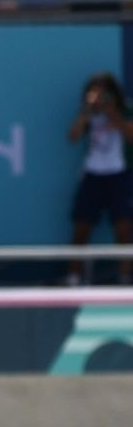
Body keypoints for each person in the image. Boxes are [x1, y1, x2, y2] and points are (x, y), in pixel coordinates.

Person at [66, 72, 133, 284]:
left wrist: (112, 112)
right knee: (81, 227)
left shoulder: (124, 110)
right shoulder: (87, 113)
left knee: (123, 228)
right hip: (92, 175)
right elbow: (73, 136)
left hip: (118, 175)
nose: (100, 97)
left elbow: (131, 136)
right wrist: (87, 111)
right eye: (95, 92)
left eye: (104, 93)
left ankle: (125, 276)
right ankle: (74, 276)